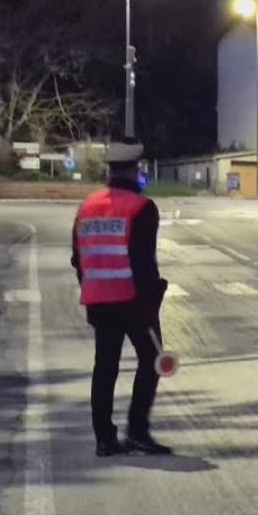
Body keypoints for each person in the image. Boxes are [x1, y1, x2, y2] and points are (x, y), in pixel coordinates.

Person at [71, 145, 173, 456]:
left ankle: (104, 439)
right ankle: (138, 432)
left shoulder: (86, 206)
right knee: (153, 361)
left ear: (109, 170)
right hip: (132, 300)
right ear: (134, 169)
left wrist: (90, 287)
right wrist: (153, 297)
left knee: (105, 367)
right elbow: (143, 262)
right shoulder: (142, 207)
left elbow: (78, 258)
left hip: (98, 300)